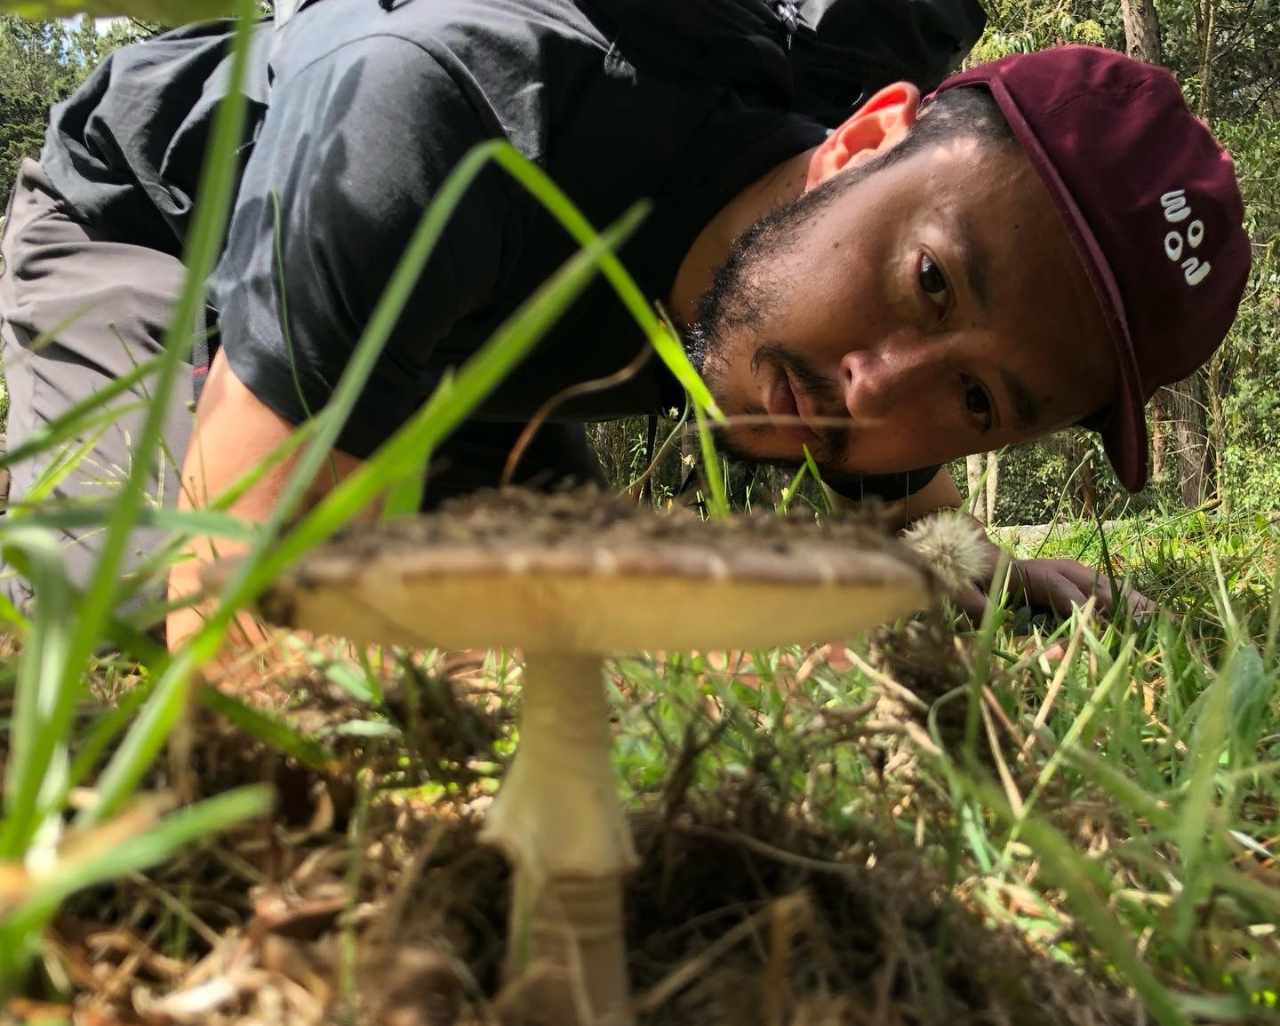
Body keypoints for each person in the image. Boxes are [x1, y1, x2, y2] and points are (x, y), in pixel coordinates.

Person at [0, 0, 1250, 648]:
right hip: (157, 229)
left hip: (460, 366)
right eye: (929, 285)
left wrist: (999, 583)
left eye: (978, 401)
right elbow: (241, 642)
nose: (878, 394)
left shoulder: (850, 331)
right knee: (117, 592)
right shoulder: (446, 120)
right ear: (866, 137)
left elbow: (913, 502)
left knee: (546, 593)